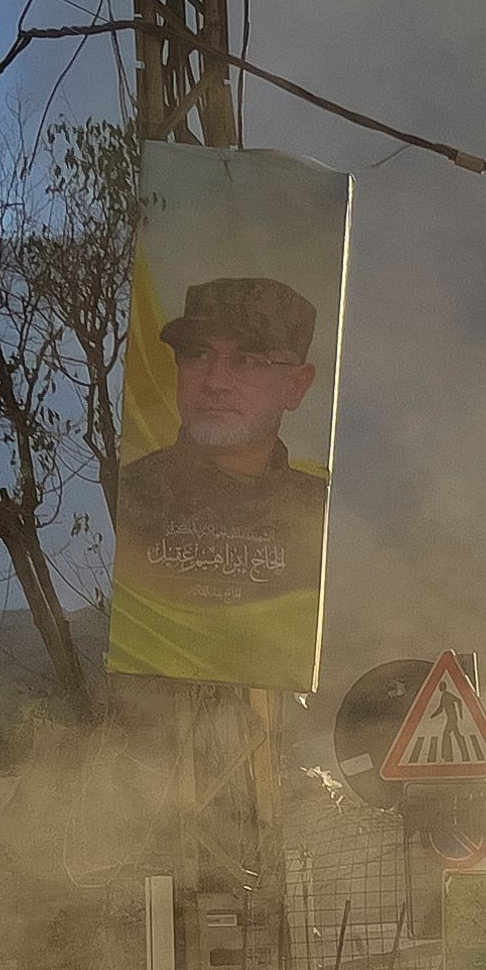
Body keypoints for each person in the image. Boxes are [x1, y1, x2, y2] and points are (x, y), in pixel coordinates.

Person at [108, 276, 332, 686]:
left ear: (296, 385)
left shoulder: (324, 520)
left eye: (248, 360)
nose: (214, 381)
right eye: (196, 354)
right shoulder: (124, 498)